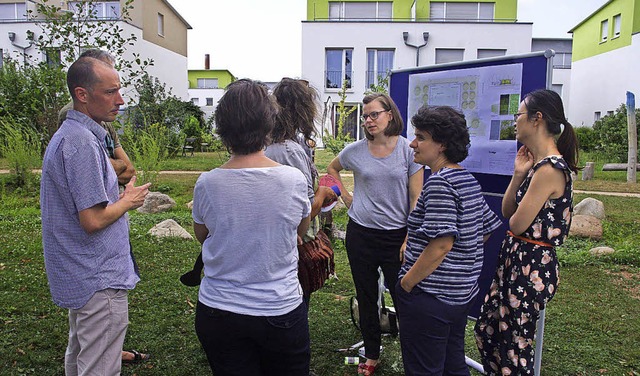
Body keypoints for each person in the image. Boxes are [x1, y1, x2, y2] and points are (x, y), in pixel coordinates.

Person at [192, 79, 312, 375]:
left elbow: (201, 235)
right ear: (269, 124)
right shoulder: (293, 180)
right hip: (279, 309)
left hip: (219, 310)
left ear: (222, 128)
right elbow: (300, 230)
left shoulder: (207, 183)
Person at [40, 56, 151, 375]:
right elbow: (92, 220)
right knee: (100, 365)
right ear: (82, 94)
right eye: (110, 92)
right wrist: (129, 199)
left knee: (81, 354)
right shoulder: (81, 143)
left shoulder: (75, 135)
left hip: (84, 274)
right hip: (96, 276)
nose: (120, 100)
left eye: (119, 90)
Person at [474, 89, 579, 375]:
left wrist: (528, 177)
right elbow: (508, 211)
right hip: (516, 259)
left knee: (514, 346)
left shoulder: (550, 169)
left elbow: (516, 224)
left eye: (519, 114)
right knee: (488, 331)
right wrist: (519, 173)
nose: (515, 121)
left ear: (537, 119)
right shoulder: (535, 166)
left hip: (530, 265)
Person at [396, 106, 502, 375]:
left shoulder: (440, 183)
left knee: (424, 368)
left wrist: (407, 283)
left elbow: (441, 244)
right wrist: (461, 267)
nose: (413, 143)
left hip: (430, 298)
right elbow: (486, 230)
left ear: (441, 144)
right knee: (452, 364)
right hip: (459, 297)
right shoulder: (466, 179)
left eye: (421, 137)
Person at [327, 93, 424, 375]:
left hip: (397, 237)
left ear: (389, 115)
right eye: (365, 116)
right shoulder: (354, 150)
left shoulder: (408, 150)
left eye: (374, 114)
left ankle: (413, 353)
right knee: (367, 296)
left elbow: (416, 197)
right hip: (361, 235)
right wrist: (345, 196)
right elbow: (331, 169)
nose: (368, 120)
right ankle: (371, 354)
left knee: (403, 296)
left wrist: (410, 237)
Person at [265, 77, 338, 303]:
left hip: (273, 238)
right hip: (295, 242)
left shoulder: (272, 143)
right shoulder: (289, 151)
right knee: (296, 300)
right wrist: (324, 193)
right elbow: (305, 209)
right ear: (303, 109)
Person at [57, 49, 135, 187]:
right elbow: (89, 173)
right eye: (110, 92)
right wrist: (115, 166)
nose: (120, 101)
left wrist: (111, 168)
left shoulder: (103, 116)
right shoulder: (73, 119)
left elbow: (128, 170)